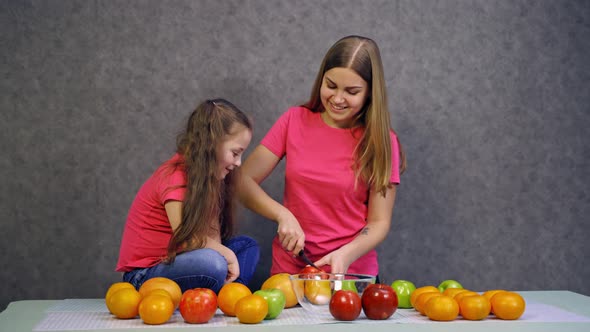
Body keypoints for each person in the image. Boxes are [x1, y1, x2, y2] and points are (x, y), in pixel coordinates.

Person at [238, 35, 406, 278]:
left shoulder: (383, 141)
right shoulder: (293, 121)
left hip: (351, 277)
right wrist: (282, 214)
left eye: (352, 91)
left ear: (370, 93)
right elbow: (242, 182)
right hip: (290, 274)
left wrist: (346, 254)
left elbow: (379, 222)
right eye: (331, 85)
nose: (337, 99)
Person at [116, 98, 259, 294]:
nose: (239, 163)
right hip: (146, 273)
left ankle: (227, 294)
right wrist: (226, 256)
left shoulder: (210, 179)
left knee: (247, 246)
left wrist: (224, 253)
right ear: (211, 144)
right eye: (235, 153)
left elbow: (212, 236)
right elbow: (187, 239)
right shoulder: (175, 177)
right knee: (214, 263)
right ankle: (219, 289)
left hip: (184, 259)